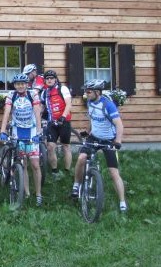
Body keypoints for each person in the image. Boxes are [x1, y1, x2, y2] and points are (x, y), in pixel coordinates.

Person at [71, 79, 127, 213]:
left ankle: (122, 202)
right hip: (94, 137)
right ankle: (76, 184)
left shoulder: (108, 105)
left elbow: (119, 125)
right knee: (81, 158)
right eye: (86, 91)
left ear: (97, 92)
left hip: (109, 140)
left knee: (113, 172)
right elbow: (92, 118)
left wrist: (118, 141)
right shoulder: (90, 102)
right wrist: (88, 131)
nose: (86, 94)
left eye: (89, 91)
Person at [0, 73, 43, 206]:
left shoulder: (33, 94)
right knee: (23, 164)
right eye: (18, 84)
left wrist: (39, 132)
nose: (20, 86)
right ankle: (27, 193)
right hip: (17, 132)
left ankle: (38, 194)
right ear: (15, 85)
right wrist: (2, 131)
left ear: (27, 84)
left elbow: (37, 113)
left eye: (23, 84)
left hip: (32, 131)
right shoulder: (11, 95)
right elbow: (7, 112)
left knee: (35, 165)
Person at [41, 69, 73, 178]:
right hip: (51, 123)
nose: (49, 80)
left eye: (51, 78)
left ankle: (67, 171)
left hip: (64, 121)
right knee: (50, 146)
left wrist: (63, 117)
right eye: (47, 79)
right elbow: (42, 107)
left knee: (66, 146)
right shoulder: (44, 92)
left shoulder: (62, 89)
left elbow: (69, 104)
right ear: (45, 80)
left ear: (55, 79)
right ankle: (55, 172)